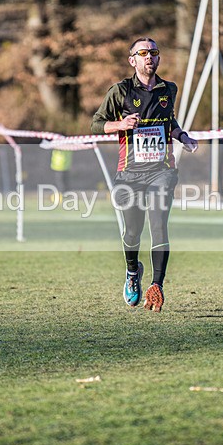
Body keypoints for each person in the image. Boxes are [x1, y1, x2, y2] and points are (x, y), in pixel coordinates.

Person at [91, 37, 198, 312]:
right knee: (132, 233)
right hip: (129, 174)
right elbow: (96, 124)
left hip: (161, 171)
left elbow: (168, 121)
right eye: (143, 53)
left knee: (159, 223)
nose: (149, 56)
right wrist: (120, 124)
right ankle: (131, 272)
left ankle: (157, 285)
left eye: (153, 52)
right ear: (133, 60)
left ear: (158, 58)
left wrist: (182, 135)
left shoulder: (168, 89)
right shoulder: (120, 91)